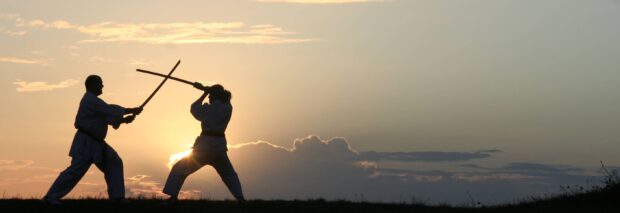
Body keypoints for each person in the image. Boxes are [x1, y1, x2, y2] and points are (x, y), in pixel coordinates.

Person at [43, 75, 142, 205]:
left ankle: (117, 197)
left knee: (114, 162)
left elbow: (105, 117)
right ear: (92, 85)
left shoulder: (94, 102)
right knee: (76, 170)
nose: (102, 86)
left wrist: (124, 120)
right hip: (86, 142)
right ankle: (50, 198)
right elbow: (108, 109)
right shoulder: (89, 100)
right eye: (100, 83)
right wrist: (130, 110)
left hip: (97, 143)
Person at [162, 83, 245, 203]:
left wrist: (204, 93)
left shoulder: (209, 108)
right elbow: (220, 100)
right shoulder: (228, 107)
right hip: (219, 146)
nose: (209, 98)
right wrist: (208, 91)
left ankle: (173, 197)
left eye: (210, 96)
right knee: (229, 174)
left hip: (205, 146)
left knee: (179, 168)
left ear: (214, 96)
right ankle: (241, 199)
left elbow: (194, 108)